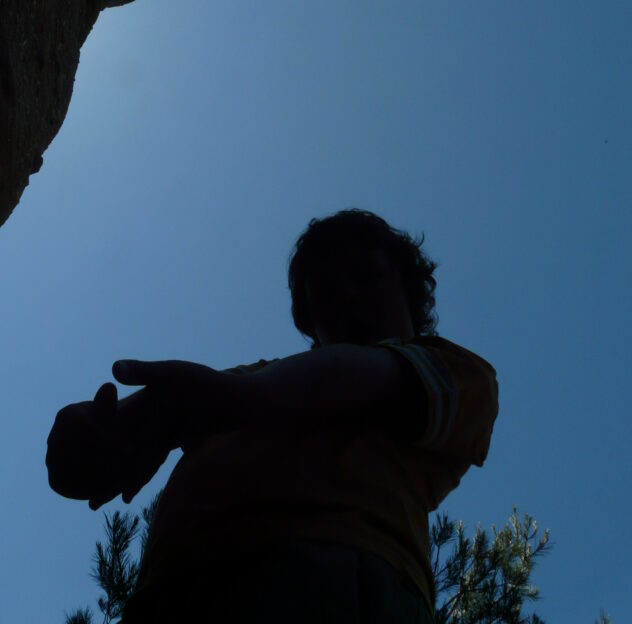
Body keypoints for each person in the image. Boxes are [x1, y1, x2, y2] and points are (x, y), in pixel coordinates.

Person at [46, 209, 499, 623]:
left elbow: (349, 377)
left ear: (409, 289)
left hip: (333, 576)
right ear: (312, 323)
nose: (348, 297)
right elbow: (144, 414)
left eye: (367, 276)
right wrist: (87, 433)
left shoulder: (455, 372)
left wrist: (229, 397)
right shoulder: (253, 378)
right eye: (327, 292)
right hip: (168, 592)